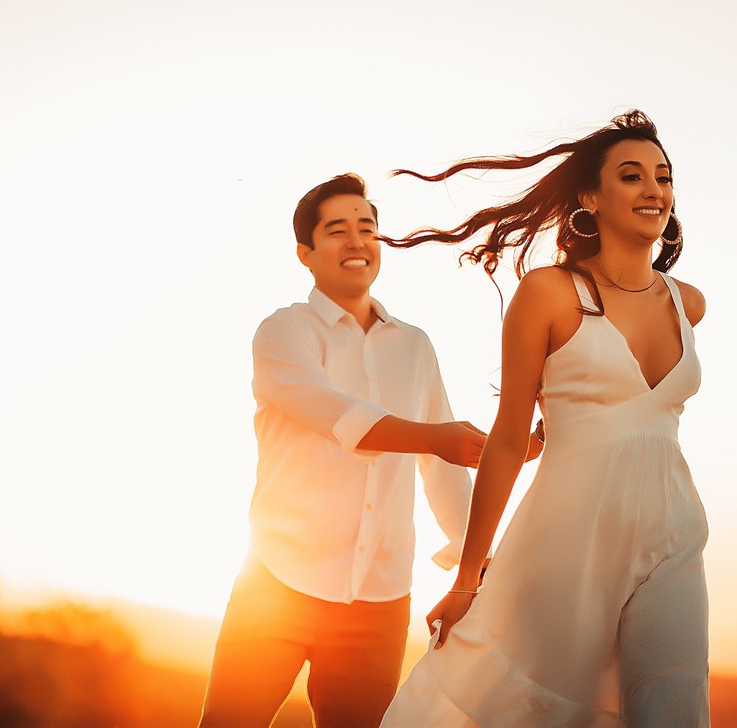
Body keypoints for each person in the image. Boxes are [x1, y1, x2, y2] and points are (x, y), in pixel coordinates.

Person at [380, 110, 710, 727]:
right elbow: (508, 440)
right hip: (567, 538)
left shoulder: (687, 303)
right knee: (539, 708)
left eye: (663, 177)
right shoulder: (551, 293)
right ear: (591, 196)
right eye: (632, 176)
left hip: (674, 530)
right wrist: (470, 577)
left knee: (673, 701)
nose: (654, 190)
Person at [199, 173, 528, 728]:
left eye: (367, 228)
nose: (356, 241)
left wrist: (474, 566)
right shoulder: (283, 333)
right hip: (277, 585)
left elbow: (441, 471)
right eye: (337, 231)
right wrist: (436, 438)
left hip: (379, 601)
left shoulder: (415, 344)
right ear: (305, 252)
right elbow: (337, 416)